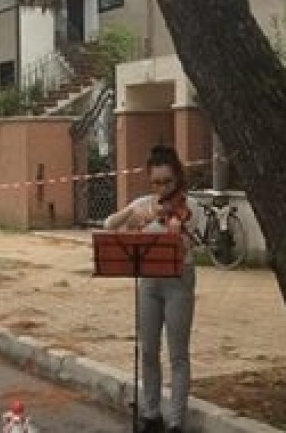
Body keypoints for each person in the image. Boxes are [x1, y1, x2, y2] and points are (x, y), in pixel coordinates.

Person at [104, 145, 196, 433]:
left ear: (177, 178)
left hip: (178, 283)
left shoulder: (189, 207)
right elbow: (109, 224)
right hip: (149, 283)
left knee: (178, 354)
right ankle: (151, 413)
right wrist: (135, 213)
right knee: (148, 350)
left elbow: (194, 246)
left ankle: (176, 422)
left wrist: (177, 234)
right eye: (156, 182)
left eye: (167, 182)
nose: (162, 189)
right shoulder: (144, 203)